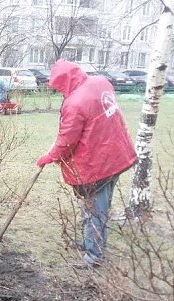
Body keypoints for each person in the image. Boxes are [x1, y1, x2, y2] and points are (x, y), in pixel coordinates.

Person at [36, 59, 136, 268]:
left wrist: (50, 157)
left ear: (65, 80)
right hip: (115, 156)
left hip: (96, 166)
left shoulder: (75, 103)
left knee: (94, 211)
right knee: (100, 207)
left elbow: (67, 142)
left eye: (58, 86)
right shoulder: (100, 82)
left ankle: (94, 256)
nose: (58, 90)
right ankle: (90, 242)